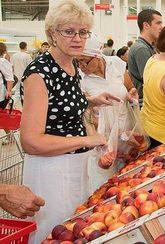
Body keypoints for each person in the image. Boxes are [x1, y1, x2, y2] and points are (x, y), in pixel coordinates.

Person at [19, 1, 120, 242]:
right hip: (51, 171)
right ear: (52, 33)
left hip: (75, 165)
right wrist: (87, 139)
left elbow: (60, 105)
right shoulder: (39, 73)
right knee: (55, 233)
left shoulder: (71, 64)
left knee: (74, 230)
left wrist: (91, 101)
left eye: (83, 32)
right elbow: (31, 141)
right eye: (69, 31)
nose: (78, 38)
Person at [78, 33, 138, 192]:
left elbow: (128, 88)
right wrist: (106, 141)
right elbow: (85, 113)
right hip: (104, 140)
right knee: (106, 187)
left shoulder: (116, 64)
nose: (81, 66)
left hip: (126, 134)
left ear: (97, 56)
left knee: (129, 182)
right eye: (78, 61)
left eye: (84, 61)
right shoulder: (81, 79)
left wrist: (131, 94)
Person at [128, 9, 163, 105]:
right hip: (144, 102)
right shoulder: (141, 49)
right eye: (158, 23)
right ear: (146, 25)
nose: (161, 27)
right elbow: (151, 80)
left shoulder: (148, 47)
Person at [11, 41, 32, 107]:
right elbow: (30, 66)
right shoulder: (27, 56)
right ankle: (15, 104)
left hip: (16, 76)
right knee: (23, 92)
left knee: (17, 91)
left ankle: (13, 104)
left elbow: (12, 66)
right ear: (26, 47)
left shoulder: (14, 55)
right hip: (24, 76)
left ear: (19, 47)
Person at [0, 42, 14, 144]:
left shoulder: (2, 62)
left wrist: (9, 91)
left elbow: (10, 78)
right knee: (1, 117)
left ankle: (10, 136)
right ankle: (10, 137)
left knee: (2, 117)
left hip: (1, 94)